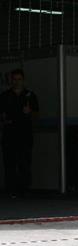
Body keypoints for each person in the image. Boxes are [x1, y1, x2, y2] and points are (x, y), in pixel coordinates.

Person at [0, 69, 39, 198]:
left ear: (23, 80)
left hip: (24, 134)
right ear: (11, 81)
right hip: (9, 134)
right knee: (9, 163)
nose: (17, 82)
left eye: (19, 79)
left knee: (25, 162)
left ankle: (25, 189)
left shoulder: (30, 95)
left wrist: (30, 112)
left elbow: (37, 115)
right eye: (14, 79)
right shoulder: (5, 96)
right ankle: (11, 190)